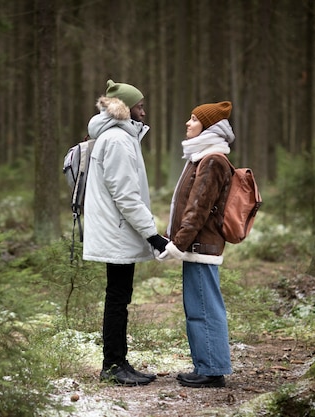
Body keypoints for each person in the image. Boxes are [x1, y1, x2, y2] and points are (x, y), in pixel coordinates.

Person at [83, 80, 168, 386]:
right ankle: (113, 365)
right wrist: (152, 235)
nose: (145, 112)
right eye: (140, 106)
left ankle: (118, 362)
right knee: (118, 298)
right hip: (118, 230)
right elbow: (126, 197)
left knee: (118, 297)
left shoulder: (117, 137)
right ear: (125, 108)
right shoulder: (118, 140)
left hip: (116, 229)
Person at [159, 101, 235, 388]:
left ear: (209, 127)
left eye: (193, 119)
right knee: (198, 307)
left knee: (203, 307)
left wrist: (178, 243)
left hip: (201, 246)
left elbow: (198, 209)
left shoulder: (212, 160)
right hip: (197, 246)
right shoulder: (202, 157)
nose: (187, 123)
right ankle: (206, 365)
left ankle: (213, 370)